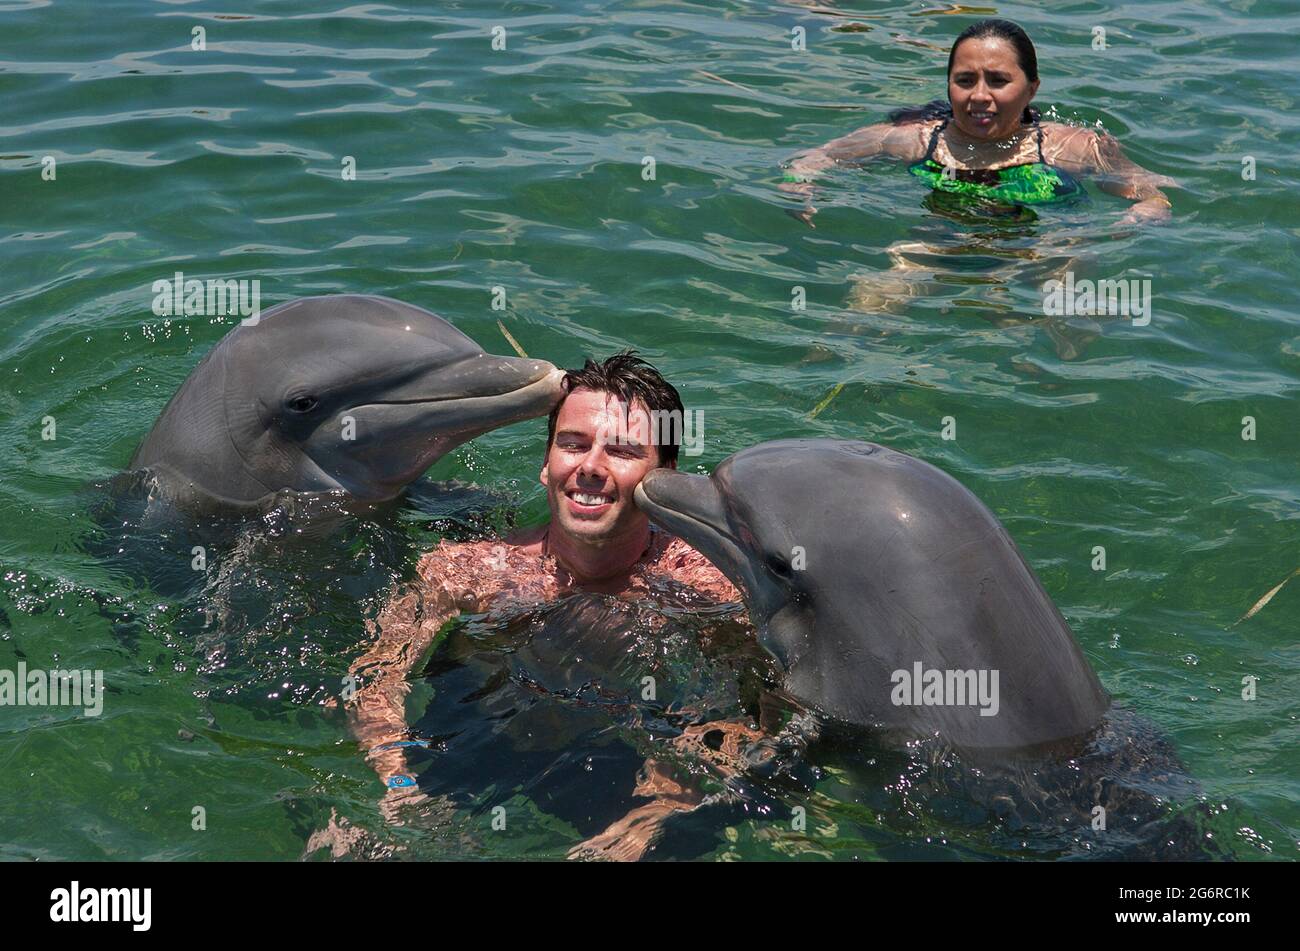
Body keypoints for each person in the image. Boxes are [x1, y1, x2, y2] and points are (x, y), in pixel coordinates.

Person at [344, 352, 763, 860]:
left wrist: (661, 806)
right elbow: (375, 676)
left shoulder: (707, 587)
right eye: (573, 445)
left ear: (665, 482)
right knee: (355, 842)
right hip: (485, 726)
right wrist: (397, 781)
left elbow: (756, 714)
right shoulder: (470, 571)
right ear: (546, 465)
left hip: (621, 752)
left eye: (623, 451)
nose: (590, 468)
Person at [779, 18, 1176, 226]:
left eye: (999, 81)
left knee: (1069, 316)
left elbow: (1152, 192)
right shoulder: (915, 140)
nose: (979, 96)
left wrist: (1148, 212)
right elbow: (818, 156)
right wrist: (799, 184)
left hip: (1045, 247)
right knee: (871, 302)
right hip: (942, 240)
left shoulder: (1073, 147)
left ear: (1032, 88)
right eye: (965, 81)